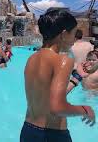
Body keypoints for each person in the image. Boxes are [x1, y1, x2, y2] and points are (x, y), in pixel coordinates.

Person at [20, 9, 95, 142]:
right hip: (52, 135)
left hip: (28, 131)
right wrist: (85, 109)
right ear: (64, 34)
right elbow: (57, 108)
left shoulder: (31, 59)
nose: (74, 40)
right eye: (73, 34)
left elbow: (47, 98)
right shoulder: (63, 60)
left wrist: (76, 78)